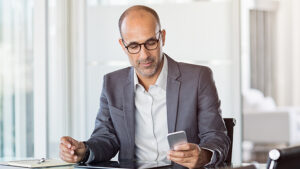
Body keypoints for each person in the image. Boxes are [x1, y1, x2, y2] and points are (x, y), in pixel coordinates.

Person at [59, 5, 230, 168]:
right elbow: (106, 139)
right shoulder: (112, 83)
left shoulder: (198, 78)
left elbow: (216, 137)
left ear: (162, 37)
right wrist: (84, 150)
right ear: (122, 45)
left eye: (151, 43)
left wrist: (204, 155)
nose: (144, 55)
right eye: (134, 46)